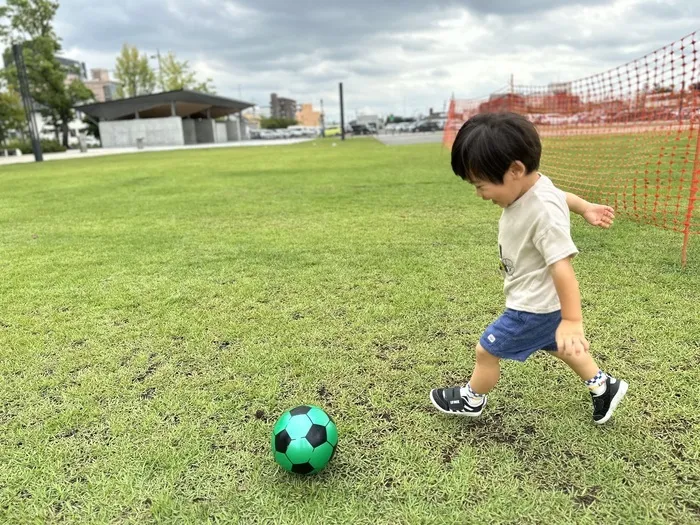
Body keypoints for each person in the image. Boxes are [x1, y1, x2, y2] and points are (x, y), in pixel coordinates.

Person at [430, 112, 628, 424]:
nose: (479, 194)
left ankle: (472, 398)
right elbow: (563, 196)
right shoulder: (536, 186)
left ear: (515, 170)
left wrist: (572, 320)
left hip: (531, 307)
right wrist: (586, 207)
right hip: (542, 304)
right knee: (562, 348)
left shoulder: (544, 214)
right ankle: (603, 387)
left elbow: (562, 267)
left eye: (481, 185)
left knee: (486, 350)